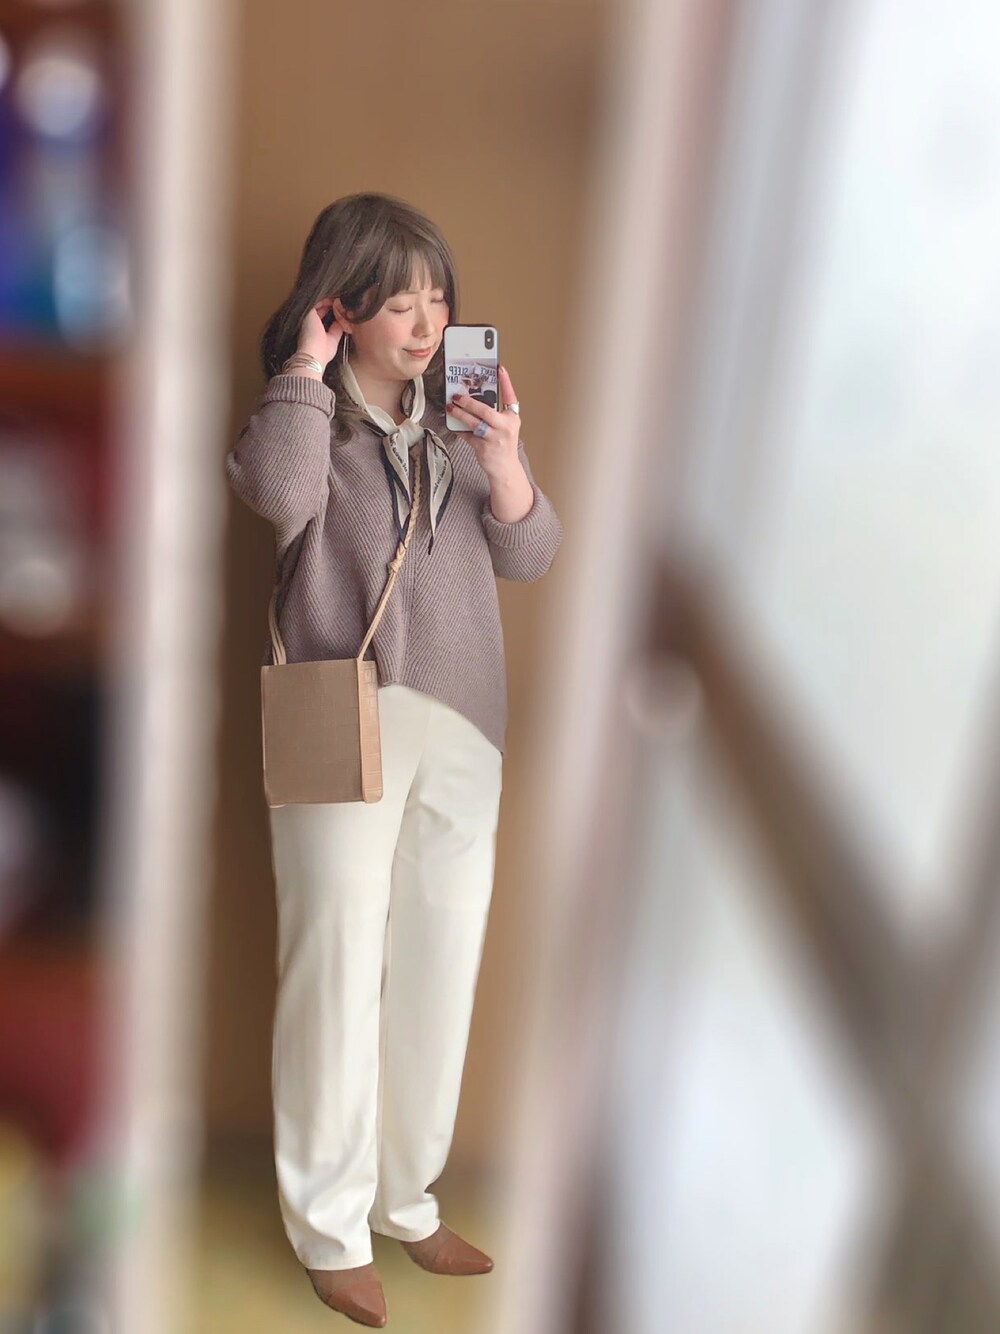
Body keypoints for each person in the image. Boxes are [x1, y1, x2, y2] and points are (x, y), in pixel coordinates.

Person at [225, 192, 563, 1327]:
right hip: (343, 715)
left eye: (438, 299)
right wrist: (303, 371)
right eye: (399, 301)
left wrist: (505, 459)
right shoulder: (305, 423)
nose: (426, 323)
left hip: (464, 725)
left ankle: (406, 1201)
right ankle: (329, 1225)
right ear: (342, 306)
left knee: (439, 967)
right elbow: (278, 498)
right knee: (333, 968)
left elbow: (532, 551)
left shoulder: (463, 416)